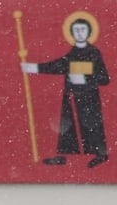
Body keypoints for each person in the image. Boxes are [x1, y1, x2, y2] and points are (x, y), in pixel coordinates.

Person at [21, 13, 110, 168]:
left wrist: (86, 80)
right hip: (71, 95)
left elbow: (104, 78)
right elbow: (57, 66)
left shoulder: (94, 53)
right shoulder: (72, 53)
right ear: (71, 33)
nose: (79, 33)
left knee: (91, 124)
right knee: (67, 125)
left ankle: (99, 154)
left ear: (89, 32)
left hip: (89, 98)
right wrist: (33, 67)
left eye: (82, 29)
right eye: (76, 30)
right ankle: (64, 156)